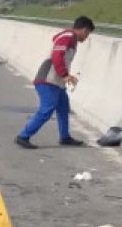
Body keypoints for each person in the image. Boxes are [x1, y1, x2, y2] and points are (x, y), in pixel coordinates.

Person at [15, 16, 95, 149]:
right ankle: (23, 136)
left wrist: (67, 76)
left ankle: (65, 137)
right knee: (46, 110)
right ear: (83, 29)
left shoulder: (71, 39)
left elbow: (62, 59)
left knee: (63, 108)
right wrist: (65, 75)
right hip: (48, 80)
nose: (86, 37)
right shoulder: (67, 37)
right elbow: (57, 57)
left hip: (56, 82)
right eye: (87, 33)